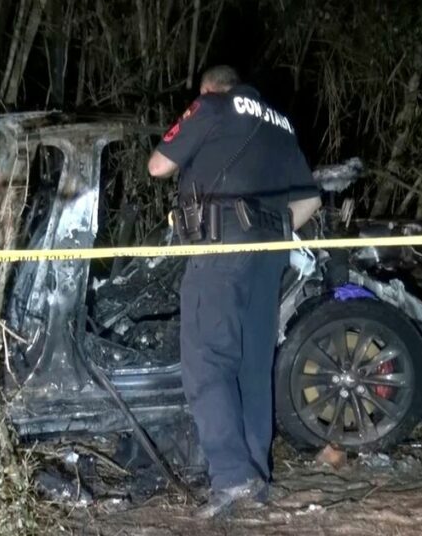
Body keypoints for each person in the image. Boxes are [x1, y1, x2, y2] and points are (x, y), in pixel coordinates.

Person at [147, 65, 321, 518]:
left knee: (206, 361)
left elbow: (158, 166)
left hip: (219, 250)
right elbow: (310, 200)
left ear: (207, 88)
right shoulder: (280, 124)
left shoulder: (212, 106)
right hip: (268, 257)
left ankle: (231, 475)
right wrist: (271, 233)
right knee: (251, 366)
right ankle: (255, 480)